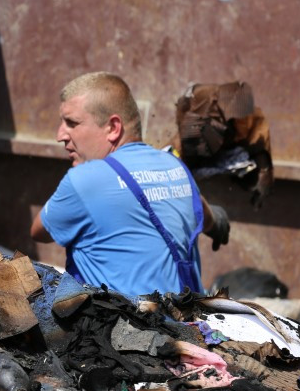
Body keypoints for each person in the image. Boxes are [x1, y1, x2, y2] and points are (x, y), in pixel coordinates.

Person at [30, 72, 230, 297]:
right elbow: (203, 211)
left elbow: (39, 231)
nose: (60, 135)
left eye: (72, 123)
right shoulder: (177, 168)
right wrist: (217, 224)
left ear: (113, 128)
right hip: (190, 326)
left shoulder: (85, 180)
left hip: (128, 329)